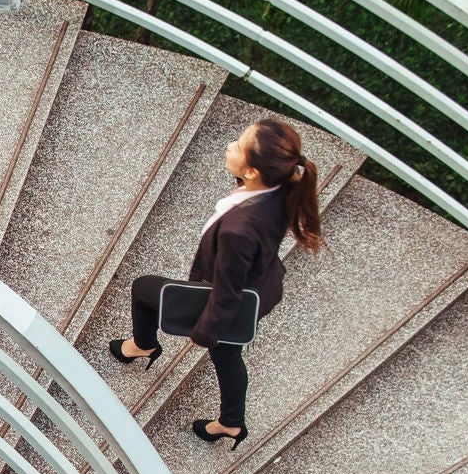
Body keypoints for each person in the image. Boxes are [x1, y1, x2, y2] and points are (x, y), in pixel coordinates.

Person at [108, 117, 323, 450]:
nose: (229, 146)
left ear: (253, 172)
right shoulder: (279, 189)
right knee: (227, 356)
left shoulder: (240, 229)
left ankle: (144, 345)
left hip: (233, 300)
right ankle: (232, 424)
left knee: (143, 288)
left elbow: (226, 293)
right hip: (261, 287)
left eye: (238, 145)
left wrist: (203, 332)